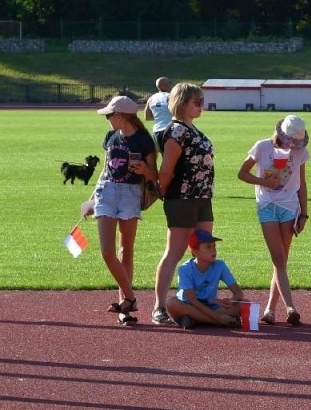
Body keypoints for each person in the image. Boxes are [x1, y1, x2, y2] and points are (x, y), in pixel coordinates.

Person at [150, 82, 216, 326]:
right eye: (196, 102)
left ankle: (197, 302)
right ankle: (159, 306)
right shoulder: (176, 132)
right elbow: (166, 171)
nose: (201, 106)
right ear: (182, 103)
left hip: (202, 197)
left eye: (201, 101)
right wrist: (162, 193)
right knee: (175, 252)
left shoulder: (193, 130)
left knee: (204, 252)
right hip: (182, 198)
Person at [238, 115, 310, 327]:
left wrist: (304, 213)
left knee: (282, 261)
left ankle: (270, 309)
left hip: (289, 207)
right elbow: (242, 173)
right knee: (278, 258)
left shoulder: (300, 152)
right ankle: (291, 307)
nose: (293, 146)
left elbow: (302, 183)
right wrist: (264, 182)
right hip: (267, 205)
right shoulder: (262, 147)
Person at [92, 96, 159, 325]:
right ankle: (130, 297)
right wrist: (92, 198)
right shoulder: (110, 137)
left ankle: (125, 307)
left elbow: (155, 175)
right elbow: (104, 169)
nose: (108, 119)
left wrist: (143, 170)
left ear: (120, 117)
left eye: (110, 115)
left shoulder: (143, 140)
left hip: (130, 194)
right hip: (107, 192)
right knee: (107, 251)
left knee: (126, 251)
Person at [165, 232, 243, 329]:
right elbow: (192, 300)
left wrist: (232, 300)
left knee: (243, 304)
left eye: (214, 246)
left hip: (210, 305)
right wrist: (218, 318)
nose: (213, 250)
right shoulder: (184, 269)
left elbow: (239, 293)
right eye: (208, 247)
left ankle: (195, 319)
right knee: (171, 303)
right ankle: (217, 321)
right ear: (194, 252)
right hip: (189, 305)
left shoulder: (220, 265)